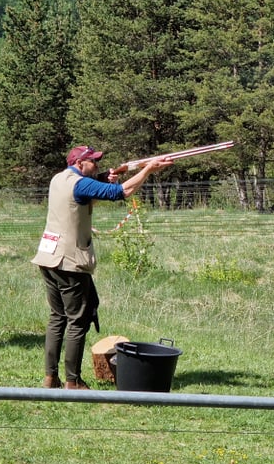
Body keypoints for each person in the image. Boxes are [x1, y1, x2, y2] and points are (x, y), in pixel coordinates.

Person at [32, 145, 171, 389]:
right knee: (78, 321)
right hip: (70, 262)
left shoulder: (58, 179)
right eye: (93, 162)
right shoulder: (80, 184)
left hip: (48, 258)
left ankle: (50, 377)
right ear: (79, 164)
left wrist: (107, 178)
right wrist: (148, 169)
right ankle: (73, 381)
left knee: (57, 319)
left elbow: (90, 195)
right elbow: (123, 191)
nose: (96, 166)